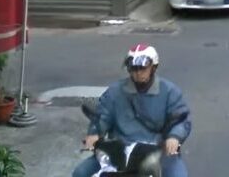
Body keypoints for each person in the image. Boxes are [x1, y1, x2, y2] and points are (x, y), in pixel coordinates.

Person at [74, 44, 191, 177]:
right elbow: (103, 116)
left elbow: (181, 119)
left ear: (153, 67)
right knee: (80, 173)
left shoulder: (170, 91)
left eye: (142, 68)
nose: (138, 72)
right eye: (133, 68)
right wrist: (94, 133)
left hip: (157, 150)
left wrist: (174, 137)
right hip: (120, 150)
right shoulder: (114, 91)